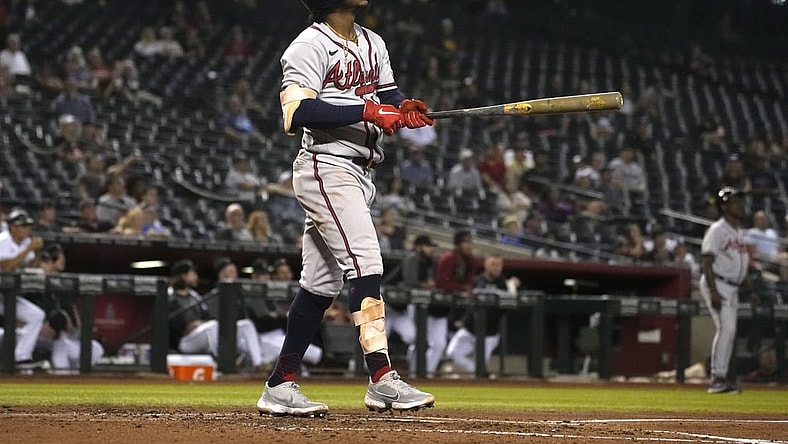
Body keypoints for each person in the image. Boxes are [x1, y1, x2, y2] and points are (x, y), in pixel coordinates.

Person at [256, 0, 435, 418]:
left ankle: (280, 385)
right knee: (366, 262)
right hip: (326, 164)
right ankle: (382, 378)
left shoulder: (373, 41)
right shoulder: (309, 45)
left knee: (319, 285)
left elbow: (386, 94)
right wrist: (367, 110)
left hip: (360, 171)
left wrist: (403, 104)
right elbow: (297, 110)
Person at [166, 259, 264, 372]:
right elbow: (171, 325)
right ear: (183, 276)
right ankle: (223, 364)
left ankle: (258, 364)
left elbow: (207, 317)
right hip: (184, 341)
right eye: (192, 273)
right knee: (213, 326)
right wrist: (185, 327)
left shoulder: (195, 296)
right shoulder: (170, 296)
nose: (195, 276)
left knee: (246, 325)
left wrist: (201, 324)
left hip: (203, 334)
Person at [700, 187, 750, 394]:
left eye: (740, 201)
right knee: (726, 329)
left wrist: (750, 289)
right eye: (734, 202)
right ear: (723, 206)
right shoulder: (717, 229)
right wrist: (713, 291)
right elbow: (707, 260)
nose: (739, 205)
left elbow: (739, 264)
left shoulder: (737, 232)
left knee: (730, 332)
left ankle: (721, 378)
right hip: (718, 283)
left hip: (732, 286)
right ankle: (717, 378)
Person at [445, 254, 518, 375]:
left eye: (499, 265)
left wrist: (513, 289)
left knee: (481, 364)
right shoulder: (476, 281)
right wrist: (463, 319)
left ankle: (481, 373)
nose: (496, 268)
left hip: (489, 333)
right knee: (452, 354)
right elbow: (466, 302)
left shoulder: (504, 284)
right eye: (493, 264)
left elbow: (509, 307)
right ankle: (482, 374)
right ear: (486, 265)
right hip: (470, 329)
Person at [37, 243, 104, 374]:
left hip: (58, 336)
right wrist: (40, 328)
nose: (63, 259)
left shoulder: (64, 285)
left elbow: (74, 323)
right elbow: (15, 316)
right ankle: (63, 379)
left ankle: (74, 379)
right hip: (33, 335)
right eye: (59, 256)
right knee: (60, 345)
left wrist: (72, 328)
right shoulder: (34, 281)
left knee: (95, 348)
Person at [0, 209, 46, 368]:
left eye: (28, 226)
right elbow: (6, 266)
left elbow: (32, 266)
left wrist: (37, 251)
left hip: (7, 295)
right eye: (23, 226)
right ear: (13, 227)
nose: (27, 229)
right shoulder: (3, 240)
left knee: (36, 315)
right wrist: (28, 249)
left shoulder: (26, 242)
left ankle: (21, 357)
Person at [431, 230, 477, 377]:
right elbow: (441, 283)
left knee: (437, 344)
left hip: (443, 310)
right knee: (416, 339)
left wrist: (465, 289)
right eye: (465, 243)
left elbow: (468, 283)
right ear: (458, 244)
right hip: (427, 305)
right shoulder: (448, 258)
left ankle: (425, 375)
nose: (469, 246)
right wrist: (462, 289)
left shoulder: (470, 261)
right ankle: (420, 373)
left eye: (470, 243)